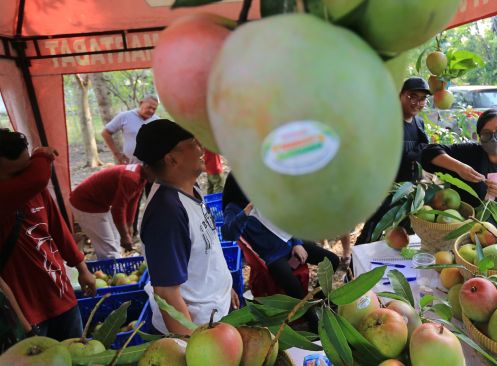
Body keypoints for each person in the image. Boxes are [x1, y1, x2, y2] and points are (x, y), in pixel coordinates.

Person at [133, 119, 239, 336]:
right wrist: (191, 345)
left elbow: (204, 253)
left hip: (216, 311)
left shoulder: (189, 190)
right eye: (192, 143)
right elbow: (166, 293)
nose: (200, 148)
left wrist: (225, 288)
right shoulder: (167, 213)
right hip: (201, 329)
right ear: (172, 159)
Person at [0, 128, 96, 341]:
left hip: (60, 294)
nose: (26, 179)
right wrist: (41, 154)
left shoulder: (36, 191)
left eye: (27, 170)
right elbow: (39, 177)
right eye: (17, 174)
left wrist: (82, 268)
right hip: (25, 310)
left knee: (76, 353)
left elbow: (58, 229)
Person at [221, 173, 340, 331]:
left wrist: (297, 242)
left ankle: (319, 299)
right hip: (273, 256)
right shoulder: (233, 208)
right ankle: (314, 322)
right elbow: (229, 233)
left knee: (332, 260)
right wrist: (247, 211)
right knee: (295, 289)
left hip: (290, 242)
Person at [420, 109, 497, 229]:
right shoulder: (470, 154)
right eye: (486, 133)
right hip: (465, 232)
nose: (493, 138)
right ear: (480, 137)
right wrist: (459, 168)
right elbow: (428, 153)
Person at [355, 77, 430, 244]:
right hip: (387, 190)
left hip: (411, 190)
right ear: (400, 95)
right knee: (372, 231)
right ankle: (355, 265)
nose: (417, 102)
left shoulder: (419, 123)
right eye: (412, 96)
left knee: (406, 234)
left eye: (422, 98)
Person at [70, 164, 151, 259]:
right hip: (85, 204)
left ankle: (115, 265)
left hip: (99, 204)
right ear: (148, 167)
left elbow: (133, 202)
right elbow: (118, 208)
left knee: (115, 238)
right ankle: (112, 269)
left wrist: (129, 226)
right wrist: (125, 236)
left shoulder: (142, 175)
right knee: (109, 250)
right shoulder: (132, 178)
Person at [102, 95, 159, 164]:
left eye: (154, 109)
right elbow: (105, 133)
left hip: (152, 166)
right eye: (149, 107)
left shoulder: (157, 121)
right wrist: (117, 154)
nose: (151, 111)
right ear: (141, 103)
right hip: (130, 164)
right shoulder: (125, 116)